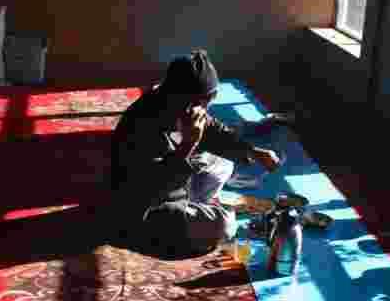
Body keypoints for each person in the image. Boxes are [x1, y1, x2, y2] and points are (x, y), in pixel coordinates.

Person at [109, 49, 282, 258]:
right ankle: (197, 213)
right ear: (189, 98)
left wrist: (253, 151)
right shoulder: (141, 125)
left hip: (177, 182)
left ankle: (198, 206)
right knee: (224, 225)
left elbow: (213, 130)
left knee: (223, 161)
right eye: (206, 100)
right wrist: (188, 144)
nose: (206, 106)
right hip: (146, 210)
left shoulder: (178, 103)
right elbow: (151, 188)